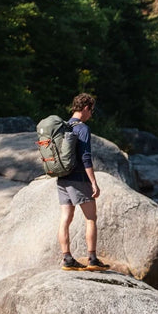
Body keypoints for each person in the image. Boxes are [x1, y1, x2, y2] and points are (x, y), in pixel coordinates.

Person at [57, 93, 108, 271]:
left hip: (62, 179)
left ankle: (67, 259)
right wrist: (93, 182)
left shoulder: (63, 126)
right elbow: (86, 158)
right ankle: (92, 259)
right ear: (86, 108)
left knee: (65, 219)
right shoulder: (82, 129)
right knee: (91, 219)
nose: (91, 115)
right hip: (79, 178)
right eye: (91, 110)